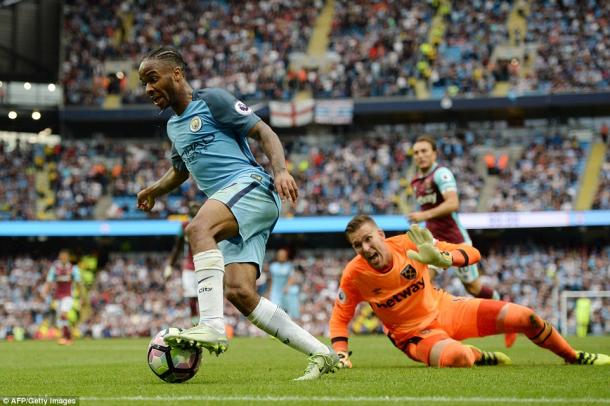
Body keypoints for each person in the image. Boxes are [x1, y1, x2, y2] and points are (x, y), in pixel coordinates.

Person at [136, 46, 338, 380]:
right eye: (143, 83)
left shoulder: (212, 100)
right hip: (233, 205)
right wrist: (153, 190)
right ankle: (321, 353)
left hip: (252, 186)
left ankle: (212, 325)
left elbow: (264, 131)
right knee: (239, 292)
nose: (147, 89)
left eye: (152, 79)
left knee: (197, 229)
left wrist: (281, 170)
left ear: (176, 74)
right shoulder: (174, 127)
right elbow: (180, 172)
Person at [329, 215, 610, 369]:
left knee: (528, 318)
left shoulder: (409, 244)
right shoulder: (354, 274)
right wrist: (341, 353)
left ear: (380, 234)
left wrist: (445, 259)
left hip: (448, 309)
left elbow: (474, 253)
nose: (365, 248)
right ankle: (478, 355)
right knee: (459, 358)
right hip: (414, 335)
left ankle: (573, 356)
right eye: (357, 245)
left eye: (368, 239)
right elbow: (340, 317)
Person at [409, 135, 500, 301]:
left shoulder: (441, 174)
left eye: (424, 151)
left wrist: (423, 215)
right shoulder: (415, 182)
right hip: (434, 243)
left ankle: (500, 303)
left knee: (473, 288)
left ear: (434, 154)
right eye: (416, 153)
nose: (420, 155)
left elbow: (452, 203)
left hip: (455, 241)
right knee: (420, 284)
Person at [164, 202, 200, 326]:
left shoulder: (206, 224)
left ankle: (206, 325)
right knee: (192, 297)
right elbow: (177, 247)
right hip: (190, 267)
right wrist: (170, 266)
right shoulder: (184, 226)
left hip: (204, 265)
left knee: (205, 296)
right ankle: (195, 324)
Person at [43, 249, 83, 345]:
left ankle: (66, 337)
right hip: (58, 296)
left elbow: (78, 283)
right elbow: (49, 281)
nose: (63, 258)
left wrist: (81, 296)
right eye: (62, 257)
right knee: (60, 319)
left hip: (68, 296)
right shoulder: (55, 268)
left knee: (63, 314)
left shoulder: (73, 268)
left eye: (65, 257)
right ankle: (68, 337)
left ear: (68, 258)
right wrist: (44, 292)